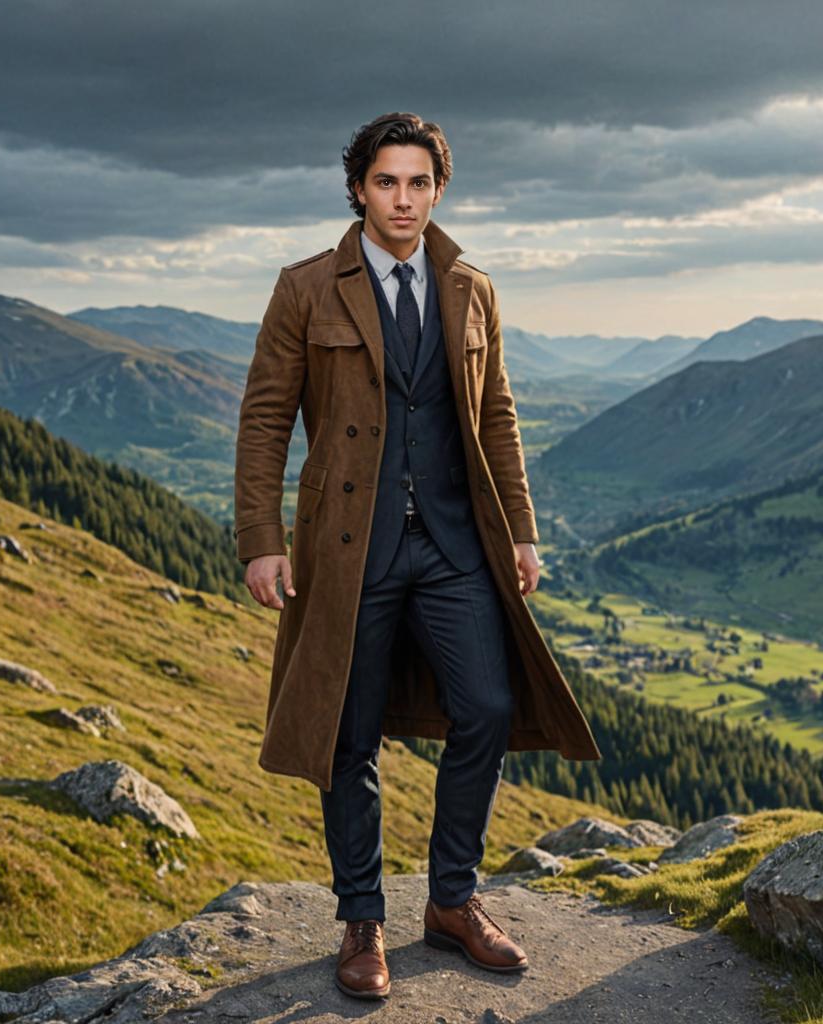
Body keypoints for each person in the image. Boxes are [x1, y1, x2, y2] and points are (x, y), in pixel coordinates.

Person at [233, 111, 600, 1000]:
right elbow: (265, 418)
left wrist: (520, 527)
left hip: (452, 543)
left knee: (488, 705)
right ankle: (361, 920)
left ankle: (451, 901)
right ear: (358, 189)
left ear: (440, 190)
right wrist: (261, 540)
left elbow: (498, 414)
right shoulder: (306, 288)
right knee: (349, 735)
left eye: (419, 183)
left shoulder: (471, 287)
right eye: (386, 182)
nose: (403, 198)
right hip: (346, 550)